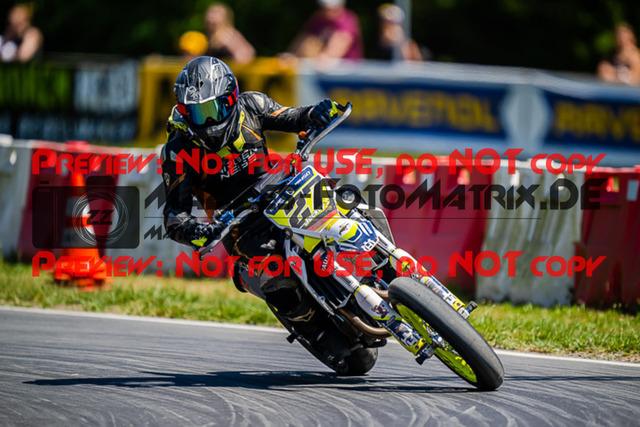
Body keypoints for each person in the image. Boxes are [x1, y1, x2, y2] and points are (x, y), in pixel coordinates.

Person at [161, 56, 337, 337]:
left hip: (281, 190)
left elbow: (293, 117)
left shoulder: (252, 105)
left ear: (231, 98)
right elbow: (174, 215)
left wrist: (316, 112)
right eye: (198, 113)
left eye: (213, 109)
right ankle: (318, 331)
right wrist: (197, 230)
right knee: (275, 276)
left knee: (342, 200)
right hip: (238, 223)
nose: (208, 121)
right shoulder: (178, 150)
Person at [287, 0, 363, 61]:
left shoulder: (346, 20)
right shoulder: (318, 18)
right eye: (324, 8)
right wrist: (291, 56)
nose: (326, 11)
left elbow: (337, 49)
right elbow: (303, 39)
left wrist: (323, 58)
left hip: (346, 72)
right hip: (319, 70)